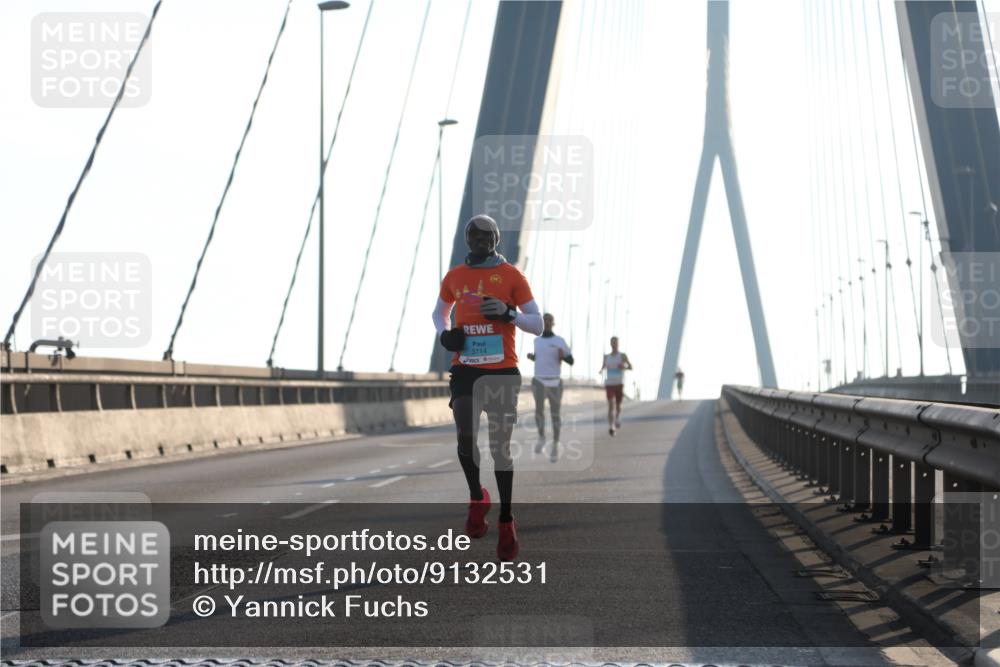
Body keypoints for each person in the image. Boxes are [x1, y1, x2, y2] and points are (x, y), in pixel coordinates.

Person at [432, 214, 543, 561]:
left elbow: (537, 324)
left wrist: (509, 314)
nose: (481, 242)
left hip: (502, 371)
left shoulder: (512, 276)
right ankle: (477, 497)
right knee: (465, 435)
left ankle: (507, 521)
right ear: (468, 241)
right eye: (475, 237)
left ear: (496, 240)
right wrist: (445, 334)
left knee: (500, 449)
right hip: (465, 369)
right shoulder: (454, 277)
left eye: (487, 237)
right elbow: (439, 312)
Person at [526, 313, 573, 461]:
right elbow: (540, 357)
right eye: (544, 320)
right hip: (539, 380)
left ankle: (555, 445)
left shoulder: (559, 341)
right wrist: (532, 357)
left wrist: (563, 356)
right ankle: (541, 437)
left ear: (553, 323)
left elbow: (571, 361)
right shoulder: (537, 341)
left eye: (549, 320)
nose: (546, 322)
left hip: (555, 382)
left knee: (555, 414)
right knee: (538, 410)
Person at [599, 336, 632, 436]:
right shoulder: (606, 357)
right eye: (612, 342)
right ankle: (611, 426)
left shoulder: (622, 356)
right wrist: (601, 370)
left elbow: (631, 367)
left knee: (618, 405)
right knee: (610, 404)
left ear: (618, 344)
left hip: (619, 383)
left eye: (615, 342)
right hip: (609, 383)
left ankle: (617, 417)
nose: (614, 344)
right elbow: (603, 367)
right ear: (610, 344)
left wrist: (624, 367)